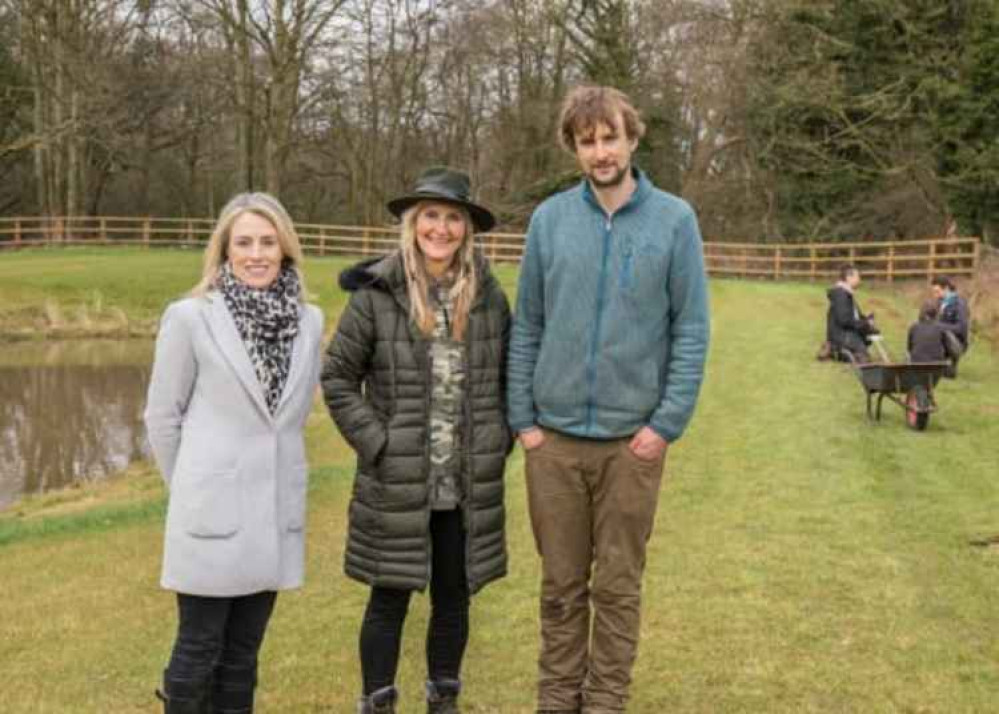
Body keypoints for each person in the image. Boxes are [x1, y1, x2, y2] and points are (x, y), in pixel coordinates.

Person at [508, 85, 711, 713]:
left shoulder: (674, 221)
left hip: (632, 445)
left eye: (610, 137)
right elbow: (528, 324)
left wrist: (665, 424)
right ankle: (557, 700)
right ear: (575, 147)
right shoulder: (549, 221)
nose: (601, 152)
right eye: (588, 141)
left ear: (632, 137)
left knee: (618, 589)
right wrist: (525, 421)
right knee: (561, 587)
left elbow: (691, 328)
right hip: (554, 443)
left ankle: (604, 703)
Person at [322, 167, 512, 714]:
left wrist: (496, 441)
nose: (442, 228)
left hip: (463, 484)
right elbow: (337, 376)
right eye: (431, 215)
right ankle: (377, 701)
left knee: (453, 597)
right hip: (398, 476)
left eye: (453, 218)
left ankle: (443, 697)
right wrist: (377, 443)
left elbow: (506, 374)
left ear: (466, 229)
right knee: (390, 598)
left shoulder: (487, 296)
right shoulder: (377, 294)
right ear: (413, 223)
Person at [144, 192, 324, 714]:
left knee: (244, 655)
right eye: (243, 242)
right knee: (199, 649)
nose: (256, 254)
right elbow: (162, 417)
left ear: (286, 249)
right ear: (223, 250)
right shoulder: (190, 317)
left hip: (272, 514)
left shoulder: (309, 322)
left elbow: (293, 414)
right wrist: (192, 490)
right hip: (209, 515)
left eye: (268, 242)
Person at [826, 264, 877, 362]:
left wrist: (865, 320)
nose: (859, 280)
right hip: (842, 335)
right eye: (858, 277)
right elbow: (844, 320)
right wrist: (865, 323)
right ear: (849, 277)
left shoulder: (846, 294)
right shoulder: (841, 295)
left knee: (872, 333)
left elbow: (851, 316)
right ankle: (834, 350)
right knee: (864, 358)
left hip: (846, 333)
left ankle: (835, 350)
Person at [931, 275, 970, 352]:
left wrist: (939, 327)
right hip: (940, 339)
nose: (935, 295)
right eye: (934, 292)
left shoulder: (959, 303)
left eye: (937, 291)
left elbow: (961, 328)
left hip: (956, 342)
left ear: (946, 288)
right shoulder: (939, 302)